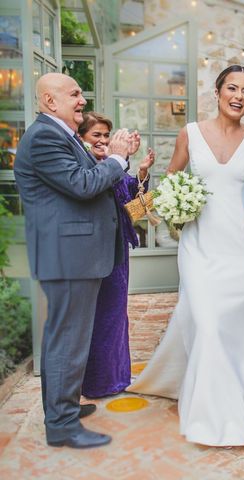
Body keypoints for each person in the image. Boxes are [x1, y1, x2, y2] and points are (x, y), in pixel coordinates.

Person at [128, 65, 244, 447]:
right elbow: (170, 182)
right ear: (217, 91)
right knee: (208, 324)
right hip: (198, 246)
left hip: (242, 246)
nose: (239, 96)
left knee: (236, 330)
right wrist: (141, 201)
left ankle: (238, 415)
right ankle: (206, 415)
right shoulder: (189, 134)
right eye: (232, 88)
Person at [14, 73, 131, 449]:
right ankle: (62, 423)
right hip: (68, 256)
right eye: (74, 94)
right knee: (68, 339)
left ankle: (60, 408)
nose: (82, 99)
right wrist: (116, 157)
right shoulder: (46, 136)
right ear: (50, 101)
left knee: (62, 336)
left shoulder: (58, 134)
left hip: (71, 255)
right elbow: (83, 185)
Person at [78, 112, 155, 398]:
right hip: (98, 251)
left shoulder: (112, 166)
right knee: (103, 317)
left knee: (116, 315)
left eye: (105, 136)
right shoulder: (88, 166)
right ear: (82, 138)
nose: (102, 140)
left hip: (118, 248)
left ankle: (117, 376)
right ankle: (99, 382)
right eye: (95, 135)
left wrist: (143, 170)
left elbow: (128, 198)